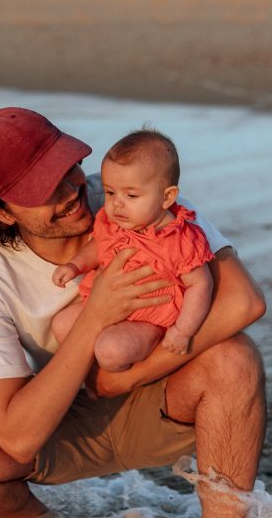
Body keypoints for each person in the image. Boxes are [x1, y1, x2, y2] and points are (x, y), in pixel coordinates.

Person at [0, 107, 267, 518]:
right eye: (42, 189)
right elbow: (16, 436)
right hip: (66, 416)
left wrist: (126, 377)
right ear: (1, 212)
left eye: (67, 169)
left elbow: (245, 300)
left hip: (167, 393)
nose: (70, 192)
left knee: (235, 357)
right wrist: (96, 313)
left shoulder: (131, 197)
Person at [51, 129, 215, 370]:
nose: (117, 203)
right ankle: (89, 372)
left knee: (112, 350)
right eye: (110, 192)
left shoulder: (178, 238)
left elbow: (200, 284)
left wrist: (182, 331)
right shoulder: (113, 222)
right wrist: (75, 265)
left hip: (148, 317)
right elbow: (98, 246)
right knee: (62, 324)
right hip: (105, 304)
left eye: (131, 195)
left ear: (167, 197)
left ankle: (139, 354)